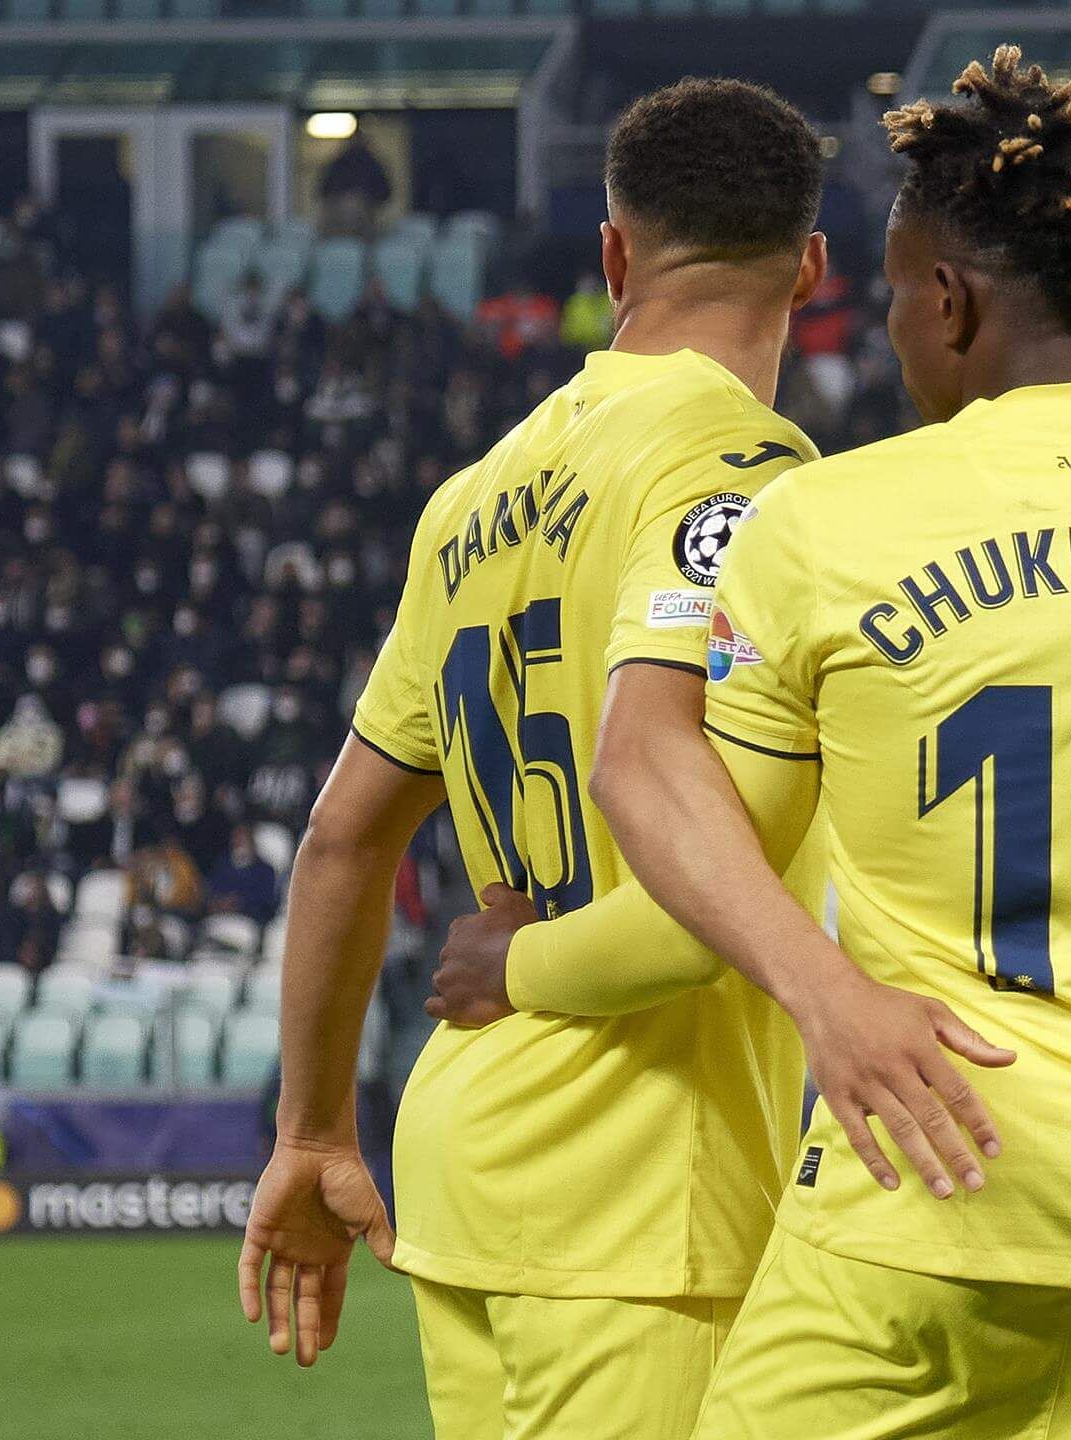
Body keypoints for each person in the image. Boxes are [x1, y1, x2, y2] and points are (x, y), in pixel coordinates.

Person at [526, 48, 1071, 1439]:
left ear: (947, 299)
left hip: (903, 1210)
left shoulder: (818, 526)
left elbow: (690, 828)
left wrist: (809, 995)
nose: (887, 329)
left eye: (891, 295)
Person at [235, 77, 832, 1440]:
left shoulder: (471, 498)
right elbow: (699, 862)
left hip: (471, 1147)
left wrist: (313, 1132)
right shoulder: (745, 469)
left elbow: (344, 835)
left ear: (614, 256)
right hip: (638, 1175)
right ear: (809, 268)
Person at [317, 131, 392, 238]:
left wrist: (364, 199)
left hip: (365, 217)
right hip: (337, 217)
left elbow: (384, 192)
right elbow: (324, 190)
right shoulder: (339, 164)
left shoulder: (372, 165)